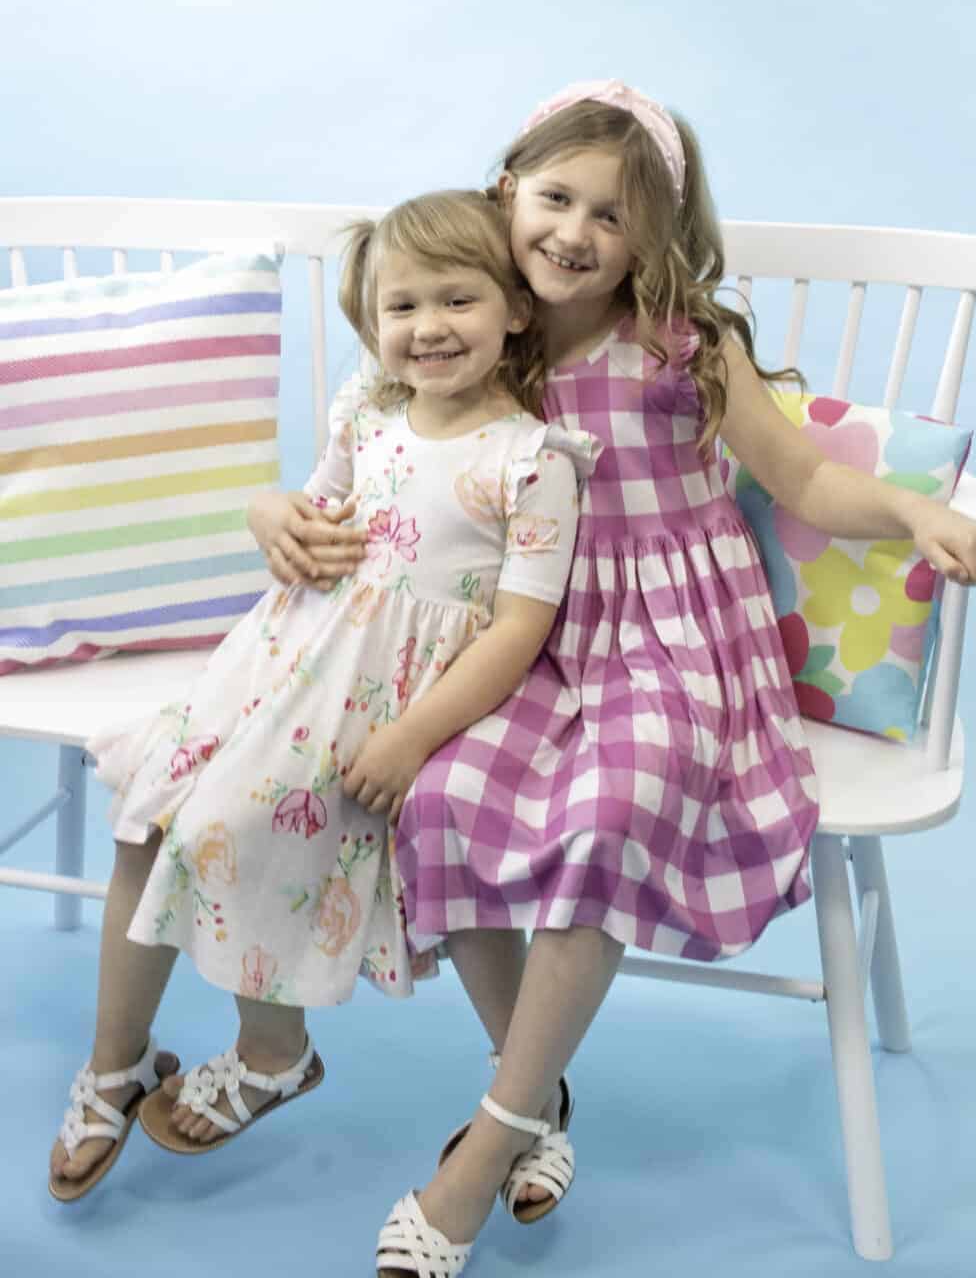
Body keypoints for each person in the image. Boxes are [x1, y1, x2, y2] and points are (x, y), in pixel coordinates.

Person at [374, 82, 976, 1276]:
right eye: (556, 198)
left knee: (616, 811)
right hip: (531, 631)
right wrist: (275, 512)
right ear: (509, 191)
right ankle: (541, 1101)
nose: (575, 233)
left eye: (612, 217)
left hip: (674, 639)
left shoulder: (683, 347)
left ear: (651, 239)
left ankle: (489, 1138)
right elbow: (384, 454)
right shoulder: (483, 334)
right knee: (440, 798)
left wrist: (912, 508)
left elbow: (810, 485)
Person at [48, 189, 599, 1200]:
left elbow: (521, 628)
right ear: (369, 323)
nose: (428, 327)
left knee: (228, 824)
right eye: (401, 307)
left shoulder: (533, 461)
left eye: (458, 299)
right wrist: (272, 515)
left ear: (516, 309)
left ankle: (283, 1054)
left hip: (389, 698)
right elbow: (311, 510)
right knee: (146, 816)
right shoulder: (366, 410)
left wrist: (408, 739)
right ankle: (115, 1061)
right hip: (280, 658)